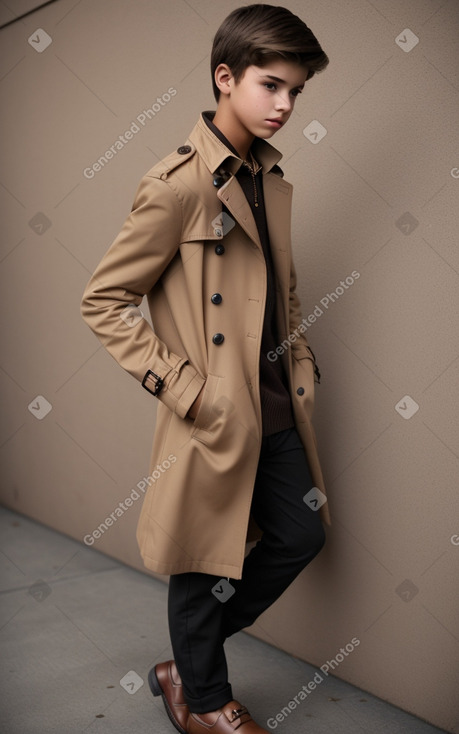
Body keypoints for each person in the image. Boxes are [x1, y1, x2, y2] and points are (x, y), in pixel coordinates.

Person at [81, 4, 330, 732]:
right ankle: (207, 701)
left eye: (296, 91)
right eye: (270, 85)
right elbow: (103, 300)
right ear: (225, 77)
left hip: (275, 401)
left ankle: (185, 667)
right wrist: (186, 391)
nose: (284, 105)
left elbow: (281, 291)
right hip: (212, 412)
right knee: (206, 558)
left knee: (301, 535)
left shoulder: (270, 180)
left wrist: (302, 360)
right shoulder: (177, 184)